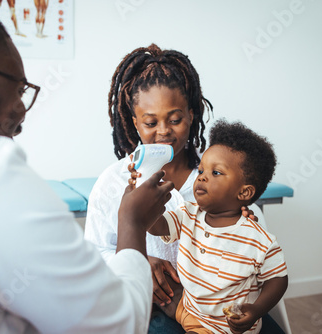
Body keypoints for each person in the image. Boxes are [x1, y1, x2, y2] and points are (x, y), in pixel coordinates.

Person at [0, 1, 173, 333]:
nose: (21, 116)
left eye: (175, 119)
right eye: (19, 91)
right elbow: (119, 325)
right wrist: (132, 223)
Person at [83, 44, 266, 333]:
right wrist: (139, 261)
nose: (164, 131)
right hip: (154, 308)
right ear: (134, 123)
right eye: (151, 122)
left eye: (175, 119)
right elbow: (94, 254)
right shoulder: (114, 182)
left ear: (192, 116)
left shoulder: (217, 177)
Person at [130, 120, 288, 334]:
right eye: (202, 169)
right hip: (190, 305)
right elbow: (156, 227)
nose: (202, 176)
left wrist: (257, 309)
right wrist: (144, 199)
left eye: (216, 173)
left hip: (220, 326)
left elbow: (278, 279)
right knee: (150, 283)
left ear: (244, 193)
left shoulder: (257, 239)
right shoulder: (188, 213)